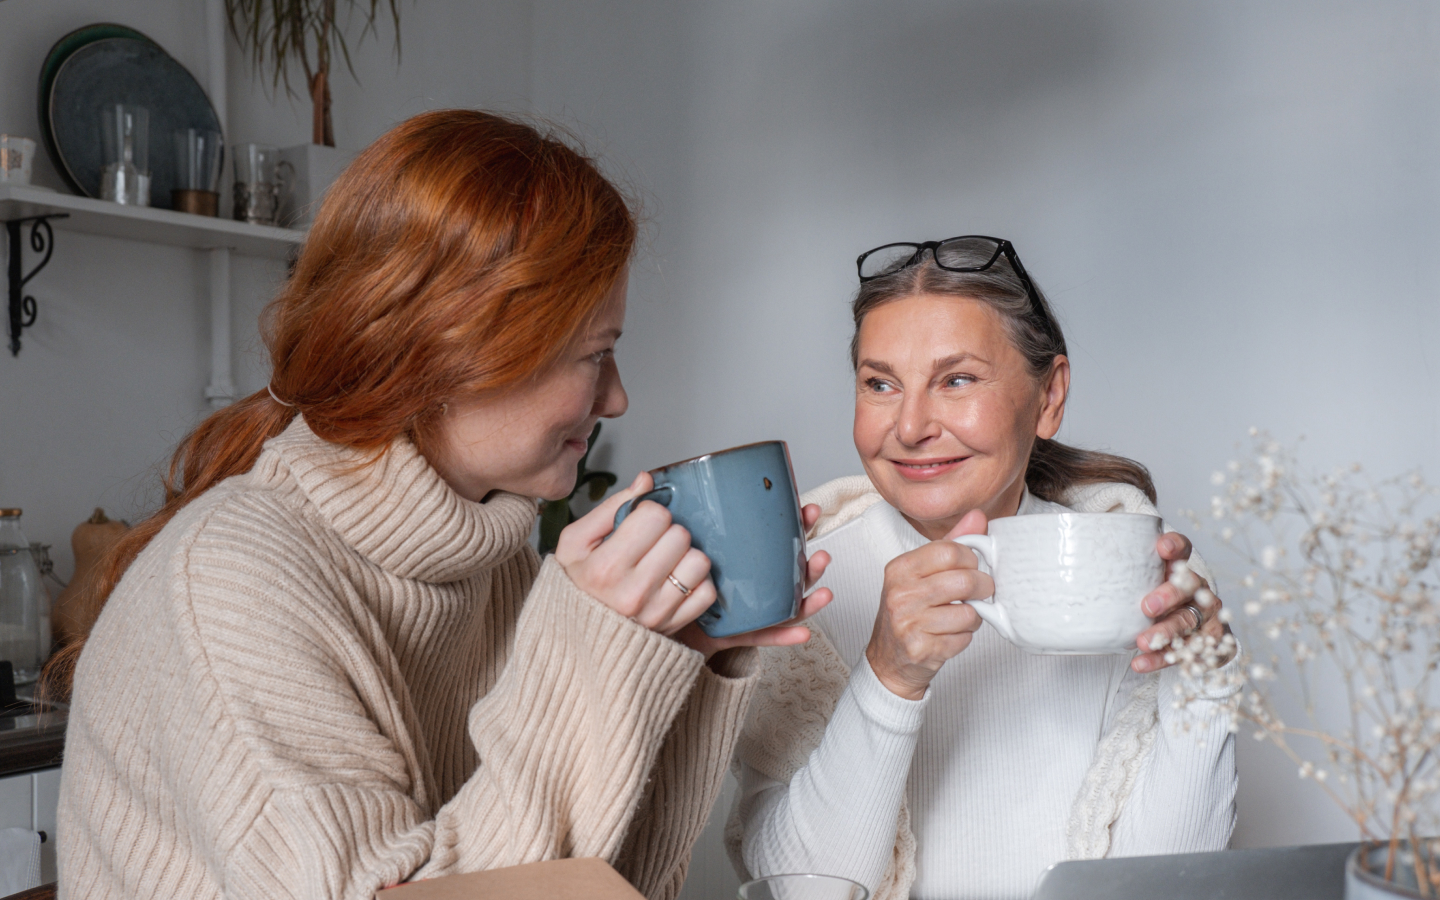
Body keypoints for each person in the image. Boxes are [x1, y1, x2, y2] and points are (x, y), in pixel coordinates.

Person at [52, 110, 832, 900]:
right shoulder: (232, 583)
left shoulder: (490, 571)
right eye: (596, 355)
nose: (619, 398)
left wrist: (679, 660)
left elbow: (602, 886)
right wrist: (585, 655)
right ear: (457, 352)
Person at [728, 236, 1238, 900]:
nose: (910, 426)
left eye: (957, 380)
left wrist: (1203, 685)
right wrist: (888, 677)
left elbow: (1168, 886)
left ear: (1049, 396)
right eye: (880, 383)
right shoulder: (805, 581)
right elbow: (798, 891)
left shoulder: (1136, 576)